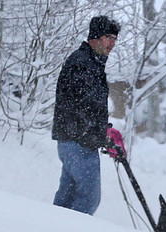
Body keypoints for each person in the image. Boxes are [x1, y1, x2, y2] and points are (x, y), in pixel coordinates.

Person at [52, 16, 125, 214]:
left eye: (115, 39)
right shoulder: (83, 64)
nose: (113, 44)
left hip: (73, 140)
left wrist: (103, 133)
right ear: (96, 37)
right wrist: (100, 134)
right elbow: (81, 106)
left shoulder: (90, 62)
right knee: (89, 198)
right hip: (79, 143)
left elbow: (88, 107)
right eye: (109, 38)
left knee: (67, 196)